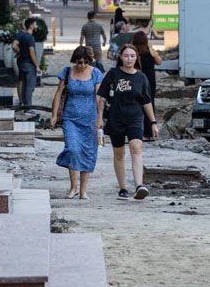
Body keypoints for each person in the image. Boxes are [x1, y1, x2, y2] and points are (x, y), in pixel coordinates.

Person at [99, 43, 159, 200]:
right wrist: (98, 119)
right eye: (126, 55)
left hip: (135, 117)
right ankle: (123, 188)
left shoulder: (141, 77)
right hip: (116, 118)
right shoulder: (113, 74)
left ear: (136, 58)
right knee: (119, 153)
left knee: (136, 146)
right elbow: (101, 97)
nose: (129, 59)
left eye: (132, 56)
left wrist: (153, 122)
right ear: (120, 57)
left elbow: (147, 101)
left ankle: (139, 185)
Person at [51, 47, 105, 200]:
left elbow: (99, 97)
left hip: (90, 120)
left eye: (85, 62)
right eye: (79, 62)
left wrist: (100, 118)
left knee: (88, 152)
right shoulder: (67, 72)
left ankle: (83, 190)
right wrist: (54, 115)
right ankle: (73, 186)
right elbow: (58, 93)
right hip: (70, 118)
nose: (82, 65)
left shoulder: (95, 73)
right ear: (74, 60)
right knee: (73, 149)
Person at [131, 31, 163, 138]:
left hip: (136, 78)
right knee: (149, 102)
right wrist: (154, 53)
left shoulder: (133, 52)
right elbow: (159, 62)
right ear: (146, 40)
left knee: (136, 103)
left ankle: (137, 130)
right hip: (150, 79)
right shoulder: (150, 50)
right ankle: (149, 133)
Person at [12, 17, 40, 107]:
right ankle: (28, 107)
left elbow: (16, 46)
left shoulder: (22, 36)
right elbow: (31, 52)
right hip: (29, 64)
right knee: (29, 87)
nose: (37, 26)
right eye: (35, 24)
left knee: (23, 84)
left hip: (21, 62)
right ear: (31, 26)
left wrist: (20, 52)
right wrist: (37, 65)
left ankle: (23, 104)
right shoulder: (30, 38)